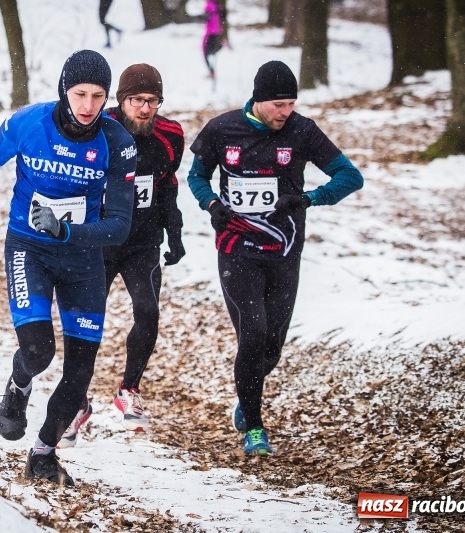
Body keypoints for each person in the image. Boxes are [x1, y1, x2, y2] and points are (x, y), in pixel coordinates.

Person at [0, 50, 136, 486]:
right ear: (64, 90)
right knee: (38, 352)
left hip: (82, 260)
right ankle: (18, 387)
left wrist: (69, 234)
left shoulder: (117, 142)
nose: (88, 105)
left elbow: (119, 226)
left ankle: (44, 452)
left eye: (98, 96)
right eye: (79, 94)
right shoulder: (28, 124)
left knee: (80, 372)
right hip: (28, 250)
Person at [187, 60, 363, 456]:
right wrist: (210, 202)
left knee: (271, 347)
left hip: (285, 252)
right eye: (279, 104)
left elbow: (351, 177)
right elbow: (196, 176)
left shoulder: (302, 131)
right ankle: (254, 427)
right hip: (236, 251)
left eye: (291, 103)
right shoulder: (222, 129)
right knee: (252, 335)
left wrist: (307, 199)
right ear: (259, 100)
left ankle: (245, 395)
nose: (286, 112)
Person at [58, 64, 185, 447]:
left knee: (148, 310)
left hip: (142, 243)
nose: (145, 109)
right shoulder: (101, 129)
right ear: (121, 100)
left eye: (153, 101)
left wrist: (174, 232)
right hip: (97, 243)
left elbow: (166, 185)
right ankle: (76, 401)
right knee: (85, 323)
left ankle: (129, 389)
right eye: (136, 101)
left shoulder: (171, 135)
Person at [202, 0, 226, 80]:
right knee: (210, 51)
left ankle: (211, 72)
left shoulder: (209, 5)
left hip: (210, 32)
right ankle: (220, 46)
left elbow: (206, 17)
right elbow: (223, 16)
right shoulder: (218, 4)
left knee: (205, 52)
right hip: (217, 32)